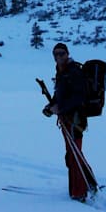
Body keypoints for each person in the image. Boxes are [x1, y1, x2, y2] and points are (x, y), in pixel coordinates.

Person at [44, 42, 96, 201]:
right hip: (66, 119)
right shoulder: (62, 71)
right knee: (73, 154)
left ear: (67, 54)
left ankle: (79, 192)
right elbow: (61, 94)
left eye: (61, 53)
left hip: (75, 120)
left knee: (74, 155)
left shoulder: (74, 71)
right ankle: (89, 184)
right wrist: (51, 106)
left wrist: (60, 108)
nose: (58, 57)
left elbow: (78, 97)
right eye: (56, 54)